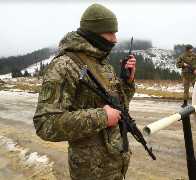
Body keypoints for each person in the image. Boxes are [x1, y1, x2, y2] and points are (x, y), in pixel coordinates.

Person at [33, 4, 136, 180]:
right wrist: (102, 117)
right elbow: (45, 124)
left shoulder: (105, 66)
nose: (115, 39)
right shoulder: (65, 65)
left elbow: (119, 107)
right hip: (90, 172)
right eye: (110, 32)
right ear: (94, 32)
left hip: (116, 166)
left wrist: (128, 82)